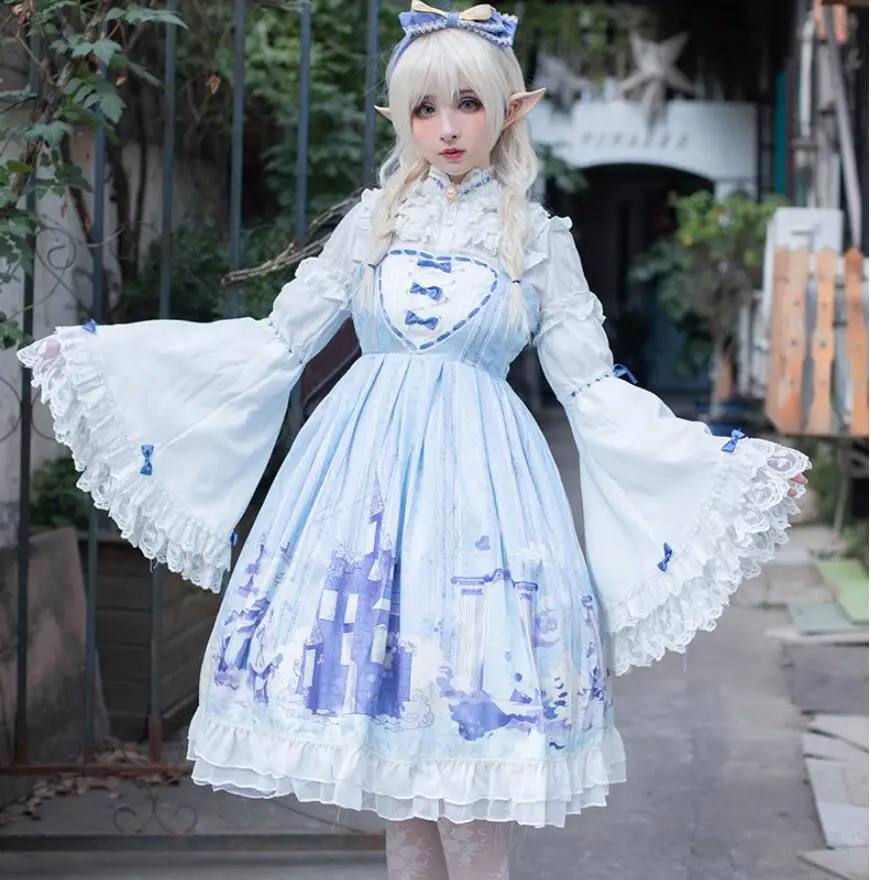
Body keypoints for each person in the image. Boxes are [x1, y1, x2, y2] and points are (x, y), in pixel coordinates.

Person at [19, 3, 810, 877]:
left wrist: (723, 466)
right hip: (360, 501)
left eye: (467, 104)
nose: (447, 128)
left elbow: (590, 392)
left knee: (466, 769)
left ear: (508, 110)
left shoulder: (538, 240)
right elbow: (278, 343)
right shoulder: (373, 222)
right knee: (400, 780)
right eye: (425, 109)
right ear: (401, 118)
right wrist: (107, 361)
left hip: (485, 507)